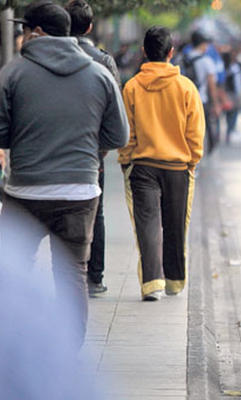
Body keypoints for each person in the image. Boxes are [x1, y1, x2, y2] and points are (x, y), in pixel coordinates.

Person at [0, 0, 129, 347]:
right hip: (81, 192)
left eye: (24, 30)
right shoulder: (99, 73)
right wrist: (87, 148)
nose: (21, 36)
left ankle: (14, 345)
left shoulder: (12, 73)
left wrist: (27, 139)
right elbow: (119, 136)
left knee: (11, 271)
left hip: (25, 191)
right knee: (72, 274)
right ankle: (69, 352)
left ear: (37, 32)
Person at [118, 26, 204, 301]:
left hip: (143, 164)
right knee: (176, 224)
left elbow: (126, 131)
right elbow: (195, 130)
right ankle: (175, 282)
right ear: (171, 52)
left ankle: (151, 284)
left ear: (144, 51)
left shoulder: (131, 87)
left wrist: (126, 158)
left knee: (147, 224)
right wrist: (193, 158)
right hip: (178, 166)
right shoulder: (186, 87)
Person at [65, 0, 121, 297]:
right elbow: (116, 113)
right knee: (93, 212)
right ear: (90, 26)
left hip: (55, 151)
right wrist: (103, 148)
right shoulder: (103, 61)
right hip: (91, 152)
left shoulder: (41, 59)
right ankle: (94, 277)